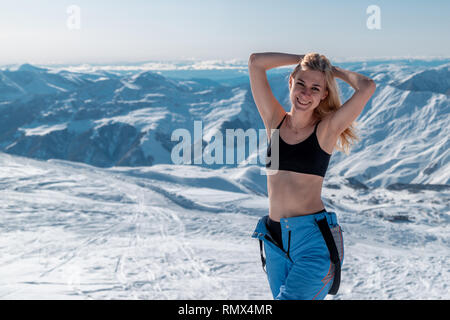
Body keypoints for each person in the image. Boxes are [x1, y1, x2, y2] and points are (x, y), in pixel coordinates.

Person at [248, 52, 376, 300]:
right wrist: (304, 58)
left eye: (315, 88)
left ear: (324, 95)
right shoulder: (274, 121)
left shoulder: (326, 129)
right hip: (274, 240)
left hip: (311, 241)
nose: (306, 94)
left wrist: (330, 69)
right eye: (301, 84)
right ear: (291, 83)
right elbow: (255, 63)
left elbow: (367, 87)